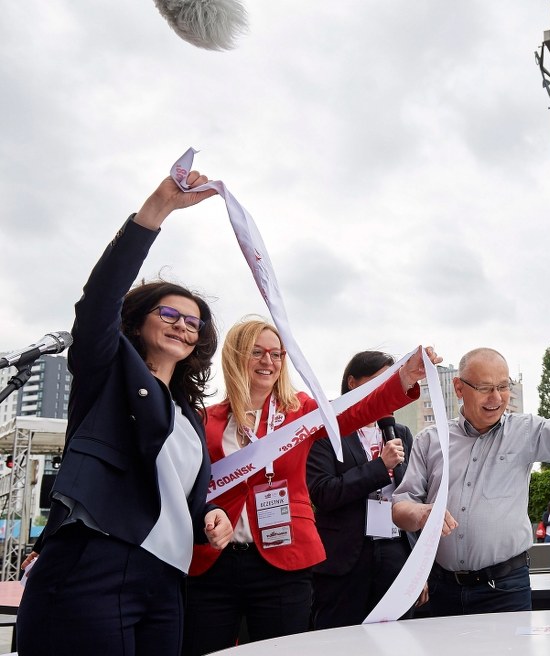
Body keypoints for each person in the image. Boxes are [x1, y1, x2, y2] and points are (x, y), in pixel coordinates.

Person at [16, 172, 233, 655]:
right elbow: (98, 303)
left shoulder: (190, 419)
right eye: (169, 315)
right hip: (96, 561)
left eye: (193, 323)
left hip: (167, 579)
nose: (183, 326)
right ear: (136, 321)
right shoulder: (107, 371)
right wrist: (156, 210)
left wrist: (211, 517)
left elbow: (176, 500)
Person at [182, 321, 438, 654]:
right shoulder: (204, 419)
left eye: (276, 354)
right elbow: (191, 486)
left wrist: (404, 379)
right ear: (234, 356)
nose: (268, 361)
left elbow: (355, 411)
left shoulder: (300, 411)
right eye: (256, 352)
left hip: (283, 561)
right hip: (215, 562)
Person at [392, 340, 550, 616]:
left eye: (503, 387)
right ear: (459, 388)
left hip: (505, 589)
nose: (496, 398)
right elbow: (400, 508)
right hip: (441, 588)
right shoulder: (430, 440)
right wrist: (422, 513)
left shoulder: (527, 432)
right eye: (484, 388)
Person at [307, 350, 427, 629]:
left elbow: (410, 493)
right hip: (347, 555)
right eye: (377, 381)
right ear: (352, 382)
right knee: (342, 639)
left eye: (390, 382)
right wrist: (378, 466)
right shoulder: (327, 430)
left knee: (397, 636)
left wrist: (419, 569)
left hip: (396, 549)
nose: (385, 389)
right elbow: (323, 493)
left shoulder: (399, 432)